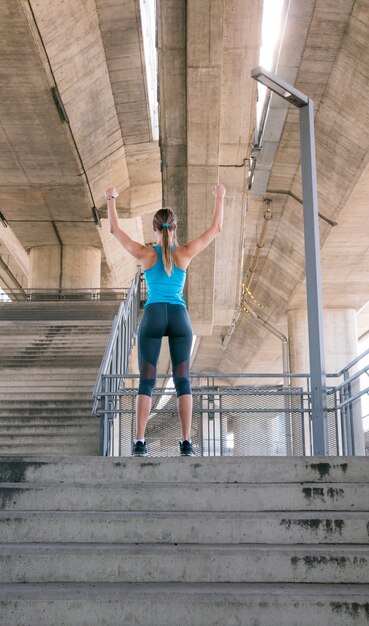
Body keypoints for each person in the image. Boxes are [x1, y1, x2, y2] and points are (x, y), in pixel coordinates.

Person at [105, 183, 226, 456]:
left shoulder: (147, 254)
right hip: (180, 318)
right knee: (183, 381)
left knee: (147, 381)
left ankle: (139, 442)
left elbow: (115, 231)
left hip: (154, 315)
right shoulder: (184, 253)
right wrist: (220, 197)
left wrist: (111, 199)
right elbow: (215, 229)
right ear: (175, 228)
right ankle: (186, 443)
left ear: (154, 229)